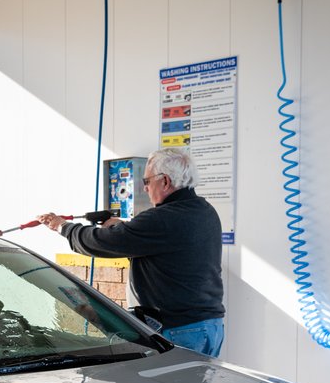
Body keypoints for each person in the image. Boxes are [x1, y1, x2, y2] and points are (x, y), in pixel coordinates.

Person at [38, 147, 225, 356]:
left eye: (147, 181)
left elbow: (101, 242)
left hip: (179, 330)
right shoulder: (204, 211)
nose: (145, 188)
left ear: (164, 181)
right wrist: (123, 228)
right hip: (209, 326)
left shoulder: (163, 219)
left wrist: (64, 227)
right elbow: (163, 252)